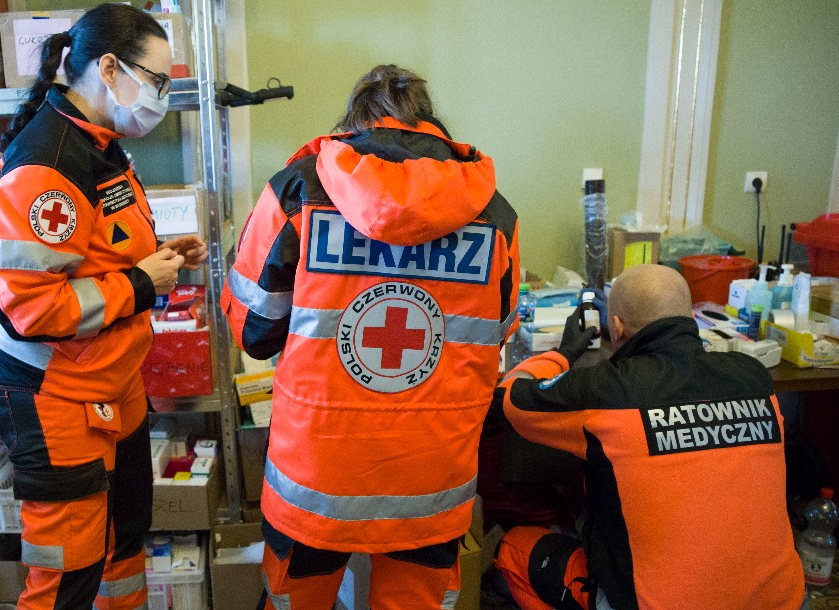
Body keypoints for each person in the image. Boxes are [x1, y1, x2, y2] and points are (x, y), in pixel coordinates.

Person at [222, 64, 520, 609]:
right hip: (430, 477)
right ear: (428, 123)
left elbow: (253, 332)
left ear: (353, 125)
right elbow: (495, 335)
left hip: (317, 474)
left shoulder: (296, 192)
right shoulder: (494, 214)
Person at [0, 5, 206, 610]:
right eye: (156, 80)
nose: (161, 95)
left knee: (123, 544)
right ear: (108, 67)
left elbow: (96, 250)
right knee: (66, 574)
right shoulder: (47, 165)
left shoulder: (101, 143)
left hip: (110, 383)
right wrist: (142, 284)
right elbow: (32, 310)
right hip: (56, 398)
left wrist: (160, 255)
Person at [493, 264, 806, 610]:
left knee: (513, 550)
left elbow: (508, 399)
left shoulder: (607, 389)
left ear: (617, 326)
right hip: (785, 601)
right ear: (689, 317)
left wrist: (563, 353)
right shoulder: (754, 378)